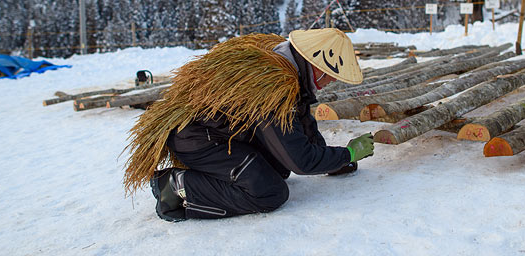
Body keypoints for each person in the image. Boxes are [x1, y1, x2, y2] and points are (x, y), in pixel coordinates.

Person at [123, 28, 375, 221]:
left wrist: (335, 161)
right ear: (317, 66)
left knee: (277, 168)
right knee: (270, 192)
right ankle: (177, 186)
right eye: (332, 75)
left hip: (225, 133)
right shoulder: (275, 83)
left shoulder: (286, 60)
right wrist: (348, 152)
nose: (331, 81)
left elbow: (300, 120)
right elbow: (300, 160)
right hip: (199, 138)